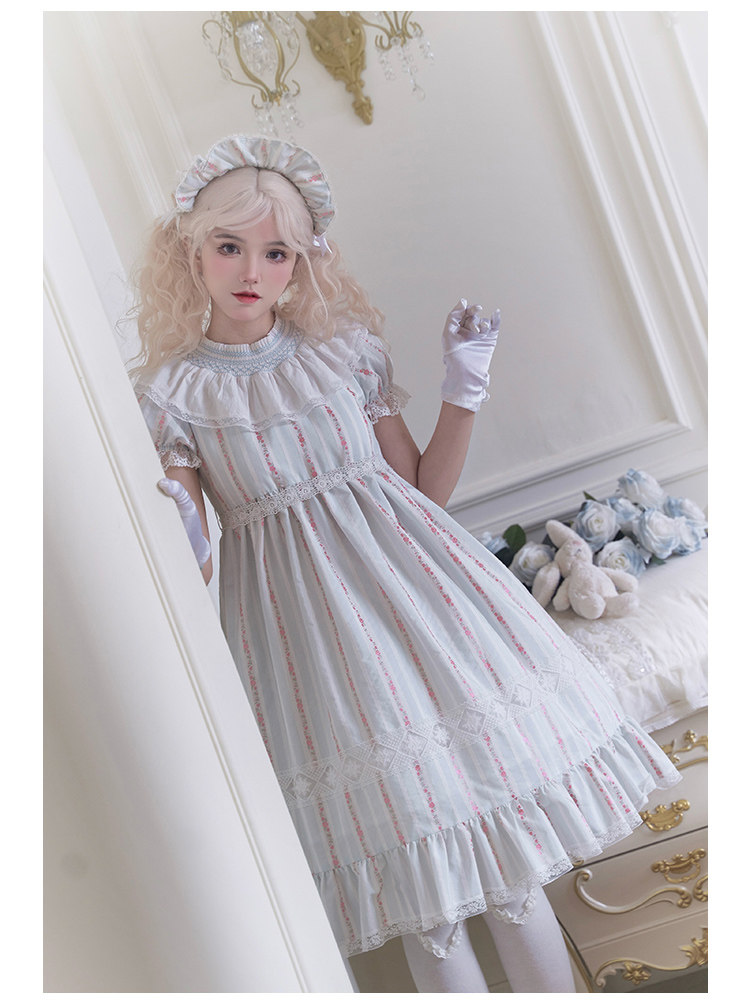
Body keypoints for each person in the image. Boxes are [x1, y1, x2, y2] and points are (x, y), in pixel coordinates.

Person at [131, 135, 680, 993]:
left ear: (302, 260)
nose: (251, 270)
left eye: (276, 252)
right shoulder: (173, 395)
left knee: (509, 876)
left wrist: (465, 386)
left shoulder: (344, 352)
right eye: (229, 246)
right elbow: (193, 544)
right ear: (191, 251)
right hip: (306, 641)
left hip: (422, 605)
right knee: (425, 902)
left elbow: (424, 488)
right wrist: (184, 533)